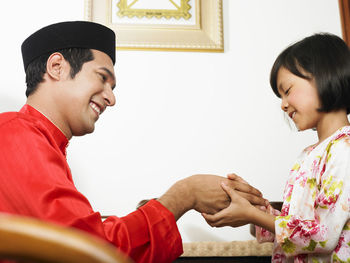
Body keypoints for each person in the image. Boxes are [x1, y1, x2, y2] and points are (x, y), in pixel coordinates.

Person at [0, 21, 267, 263]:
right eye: (102, 78)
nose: (111, 98)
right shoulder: (15, 134)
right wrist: (187, 194)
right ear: (57, 67)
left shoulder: (36, 141)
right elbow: (90, 251)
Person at [202, 33, 350, 262]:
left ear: (324, 76)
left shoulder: (344, 150)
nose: (283, 104)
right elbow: (298, 227)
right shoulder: (309, 155)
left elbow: (324, 236)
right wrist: (256, 208)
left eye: (287, 90)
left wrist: (252, 214)